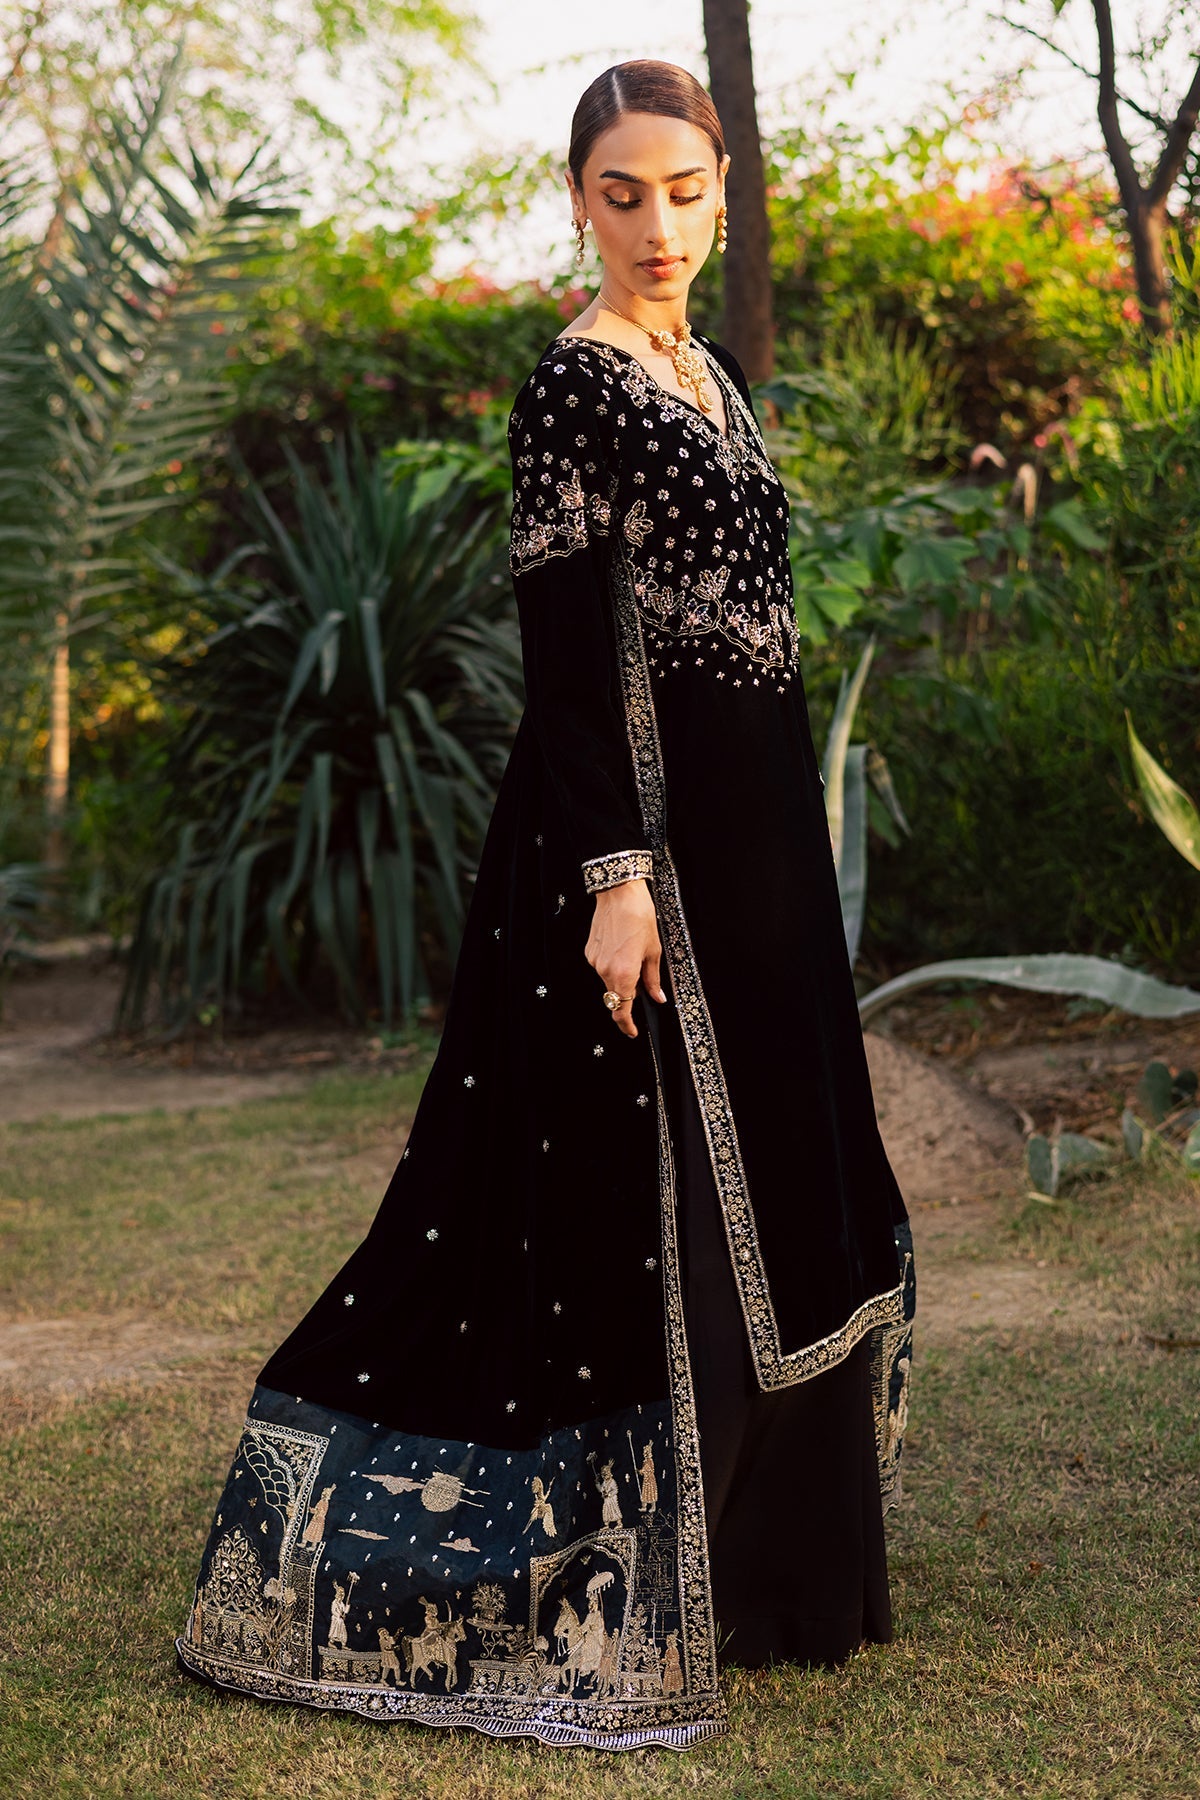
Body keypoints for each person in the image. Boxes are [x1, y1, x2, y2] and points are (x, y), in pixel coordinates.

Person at [176, 58, 915, 1753]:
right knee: (624, 1220)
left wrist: (784, 874)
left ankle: (774, 1580)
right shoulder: (573, 391)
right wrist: (616, 880)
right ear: (576, 199)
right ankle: (581, 1583)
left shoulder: (713, 376)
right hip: (636, 863)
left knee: (787, 1189)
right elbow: (569, 671)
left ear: (724, 189)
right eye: (621, 194)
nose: (658, 226)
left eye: (685, 191)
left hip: (762, 861)